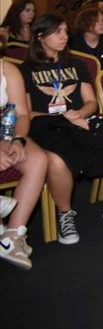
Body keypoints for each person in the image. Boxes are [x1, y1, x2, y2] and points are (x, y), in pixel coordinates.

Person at [21, 14, 103, 244]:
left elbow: (91, 102)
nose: (64, 36)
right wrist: (63, 118)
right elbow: (26, 113)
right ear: (40, 36)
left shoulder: (76, 64)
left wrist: (80, 114)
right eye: (57, 32)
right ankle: (65, 213)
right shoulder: (26, 70)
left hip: (82, 120)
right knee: (57, 161)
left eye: (65, 31)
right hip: (47, 126)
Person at [0, 60, 48, 270]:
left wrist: (15, 140)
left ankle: (12, 235)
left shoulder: (7, 69)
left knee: (37, 160)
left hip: (6, 129)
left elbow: (20, 114)